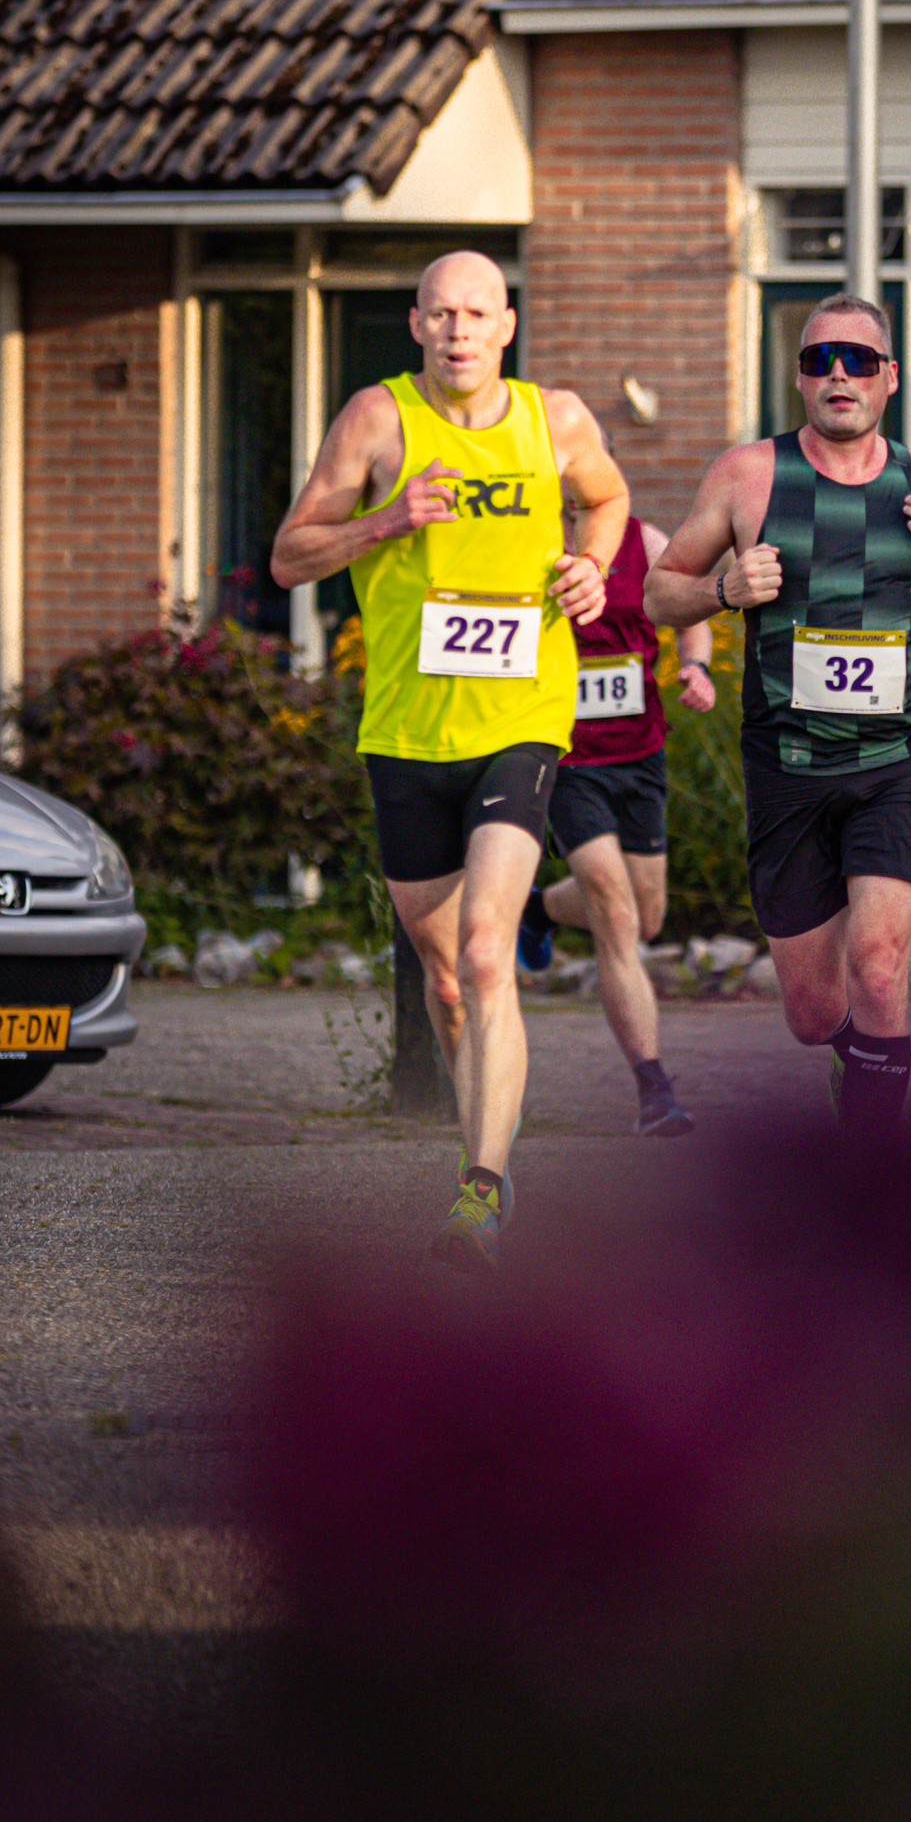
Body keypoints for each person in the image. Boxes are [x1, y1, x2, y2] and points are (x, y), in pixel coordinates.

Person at [271, 250, 627, 1268]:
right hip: (406, 734)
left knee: (483, 947)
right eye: (440, 314)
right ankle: (482, 1139)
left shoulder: (551, 419)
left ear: (505, 324)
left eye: (477, 313)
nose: (459, 330)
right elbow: (289, 554)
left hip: (521, 720)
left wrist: (589, 568)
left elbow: (606, 500)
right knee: (446, 981)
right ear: (416, 326)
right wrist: (387, 520)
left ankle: (482, 1188)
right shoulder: (375, 421)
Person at [644, 293, 911, 1137]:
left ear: (890, 378)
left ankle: (871, 1185)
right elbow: (661, 592)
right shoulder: (747, 475)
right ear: (800, 379)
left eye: (858, 360)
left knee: (879, 966)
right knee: (812, 1013)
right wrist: (723, 590)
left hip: (897, 762)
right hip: (788, 768)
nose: (838, 374)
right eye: (818, 360)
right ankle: (856, 1058)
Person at [517, 505, 717, 1135]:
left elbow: (689, 610)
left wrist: (696, 664)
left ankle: (539, 909)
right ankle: (654, 1090)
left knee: (647, 917)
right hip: (568, 759)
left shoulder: (646, 540)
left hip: (639, 757)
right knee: (617, 913)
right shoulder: (530, 542)